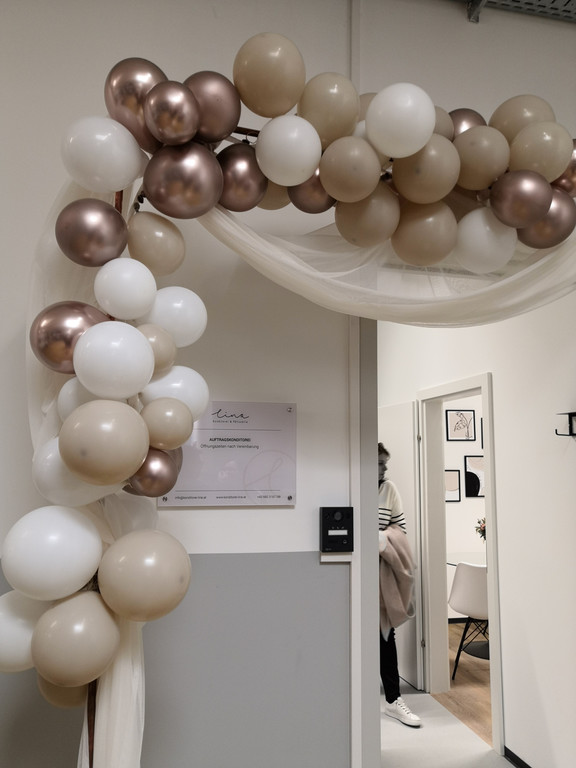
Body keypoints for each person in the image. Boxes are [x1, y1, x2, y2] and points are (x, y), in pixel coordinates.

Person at [378, 443, 421, 728]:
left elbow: (400, 530)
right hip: (349, 572)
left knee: (385, 635)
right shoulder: (351, 482)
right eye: (379, 463)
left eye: (385, 463)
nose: (384, 468)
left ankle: (393, 700)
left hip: (381, 571)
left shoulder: (389, 489)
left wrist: (380, 538)